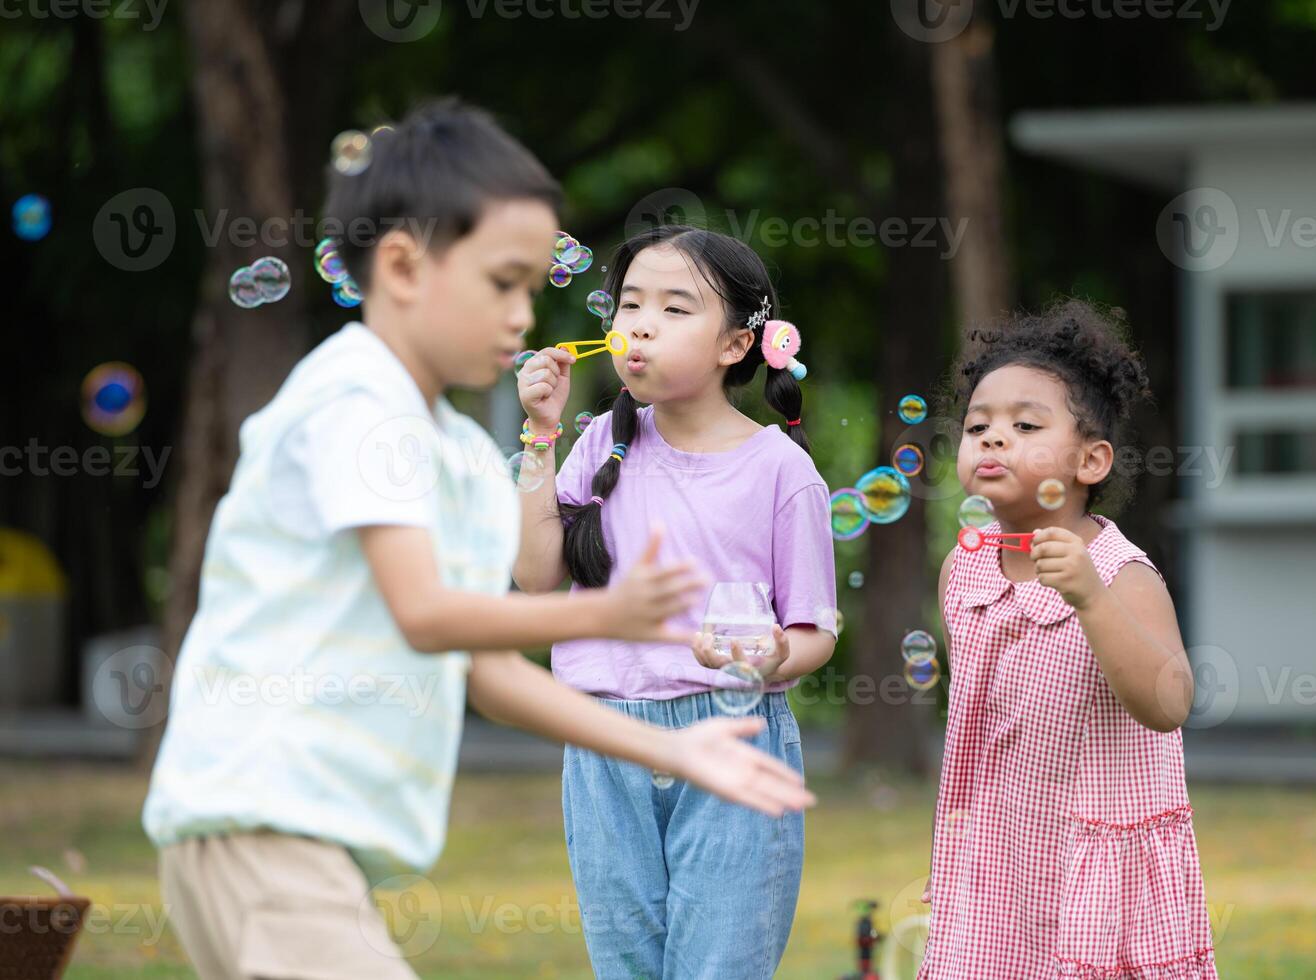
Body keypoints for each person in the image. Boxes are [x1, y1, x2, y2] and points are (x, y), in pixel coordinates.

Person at [142, 100, 813, 980]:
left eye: (533, 288)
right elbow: (428, 616)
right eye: (503, 283)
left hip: (306, 840)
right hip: (260, 816)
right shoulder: (357, 399)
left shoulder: (455, 451)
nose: (522, 314)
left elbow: (490, 674)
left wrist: (670, 749)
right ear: (402, 266)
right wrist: (612, 609)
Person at [512, 226, 838, 979]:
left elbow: (814, 631)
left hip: (732, 735)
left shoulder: (782, 472)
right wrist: (540, 434)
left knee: (717, 965)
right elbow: (535, 578)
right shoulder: (598, 445)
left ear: (735, 345)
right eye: (629, 305)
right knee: (625, 966)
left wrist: (771, 653)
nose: (640, 325)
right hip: (603, 744)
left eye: (674, 308)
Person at [919, 300, 1216, 979]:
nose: (994, 438)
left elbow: (1169, 704)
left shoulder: (1120, 573)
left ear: (1091, 460)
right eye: (979, 426)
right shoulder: (963, 569)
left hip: (1094, 867)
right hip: (999, 860)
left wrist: (1088, 596)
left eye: (1025, 425)